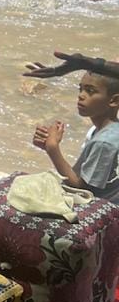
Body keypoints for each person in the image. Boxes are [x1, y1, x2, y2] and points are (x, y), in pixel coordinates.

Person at [32, 65, 119, 202]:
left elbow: (83, 190)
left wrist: (53, 149)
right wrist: (48, 144)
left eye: (90, 91)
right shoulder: (106, 130)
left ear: (114, 100)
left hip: (102, 207)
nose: (81, 95)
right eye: (81, 89)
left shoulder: (104, 142)